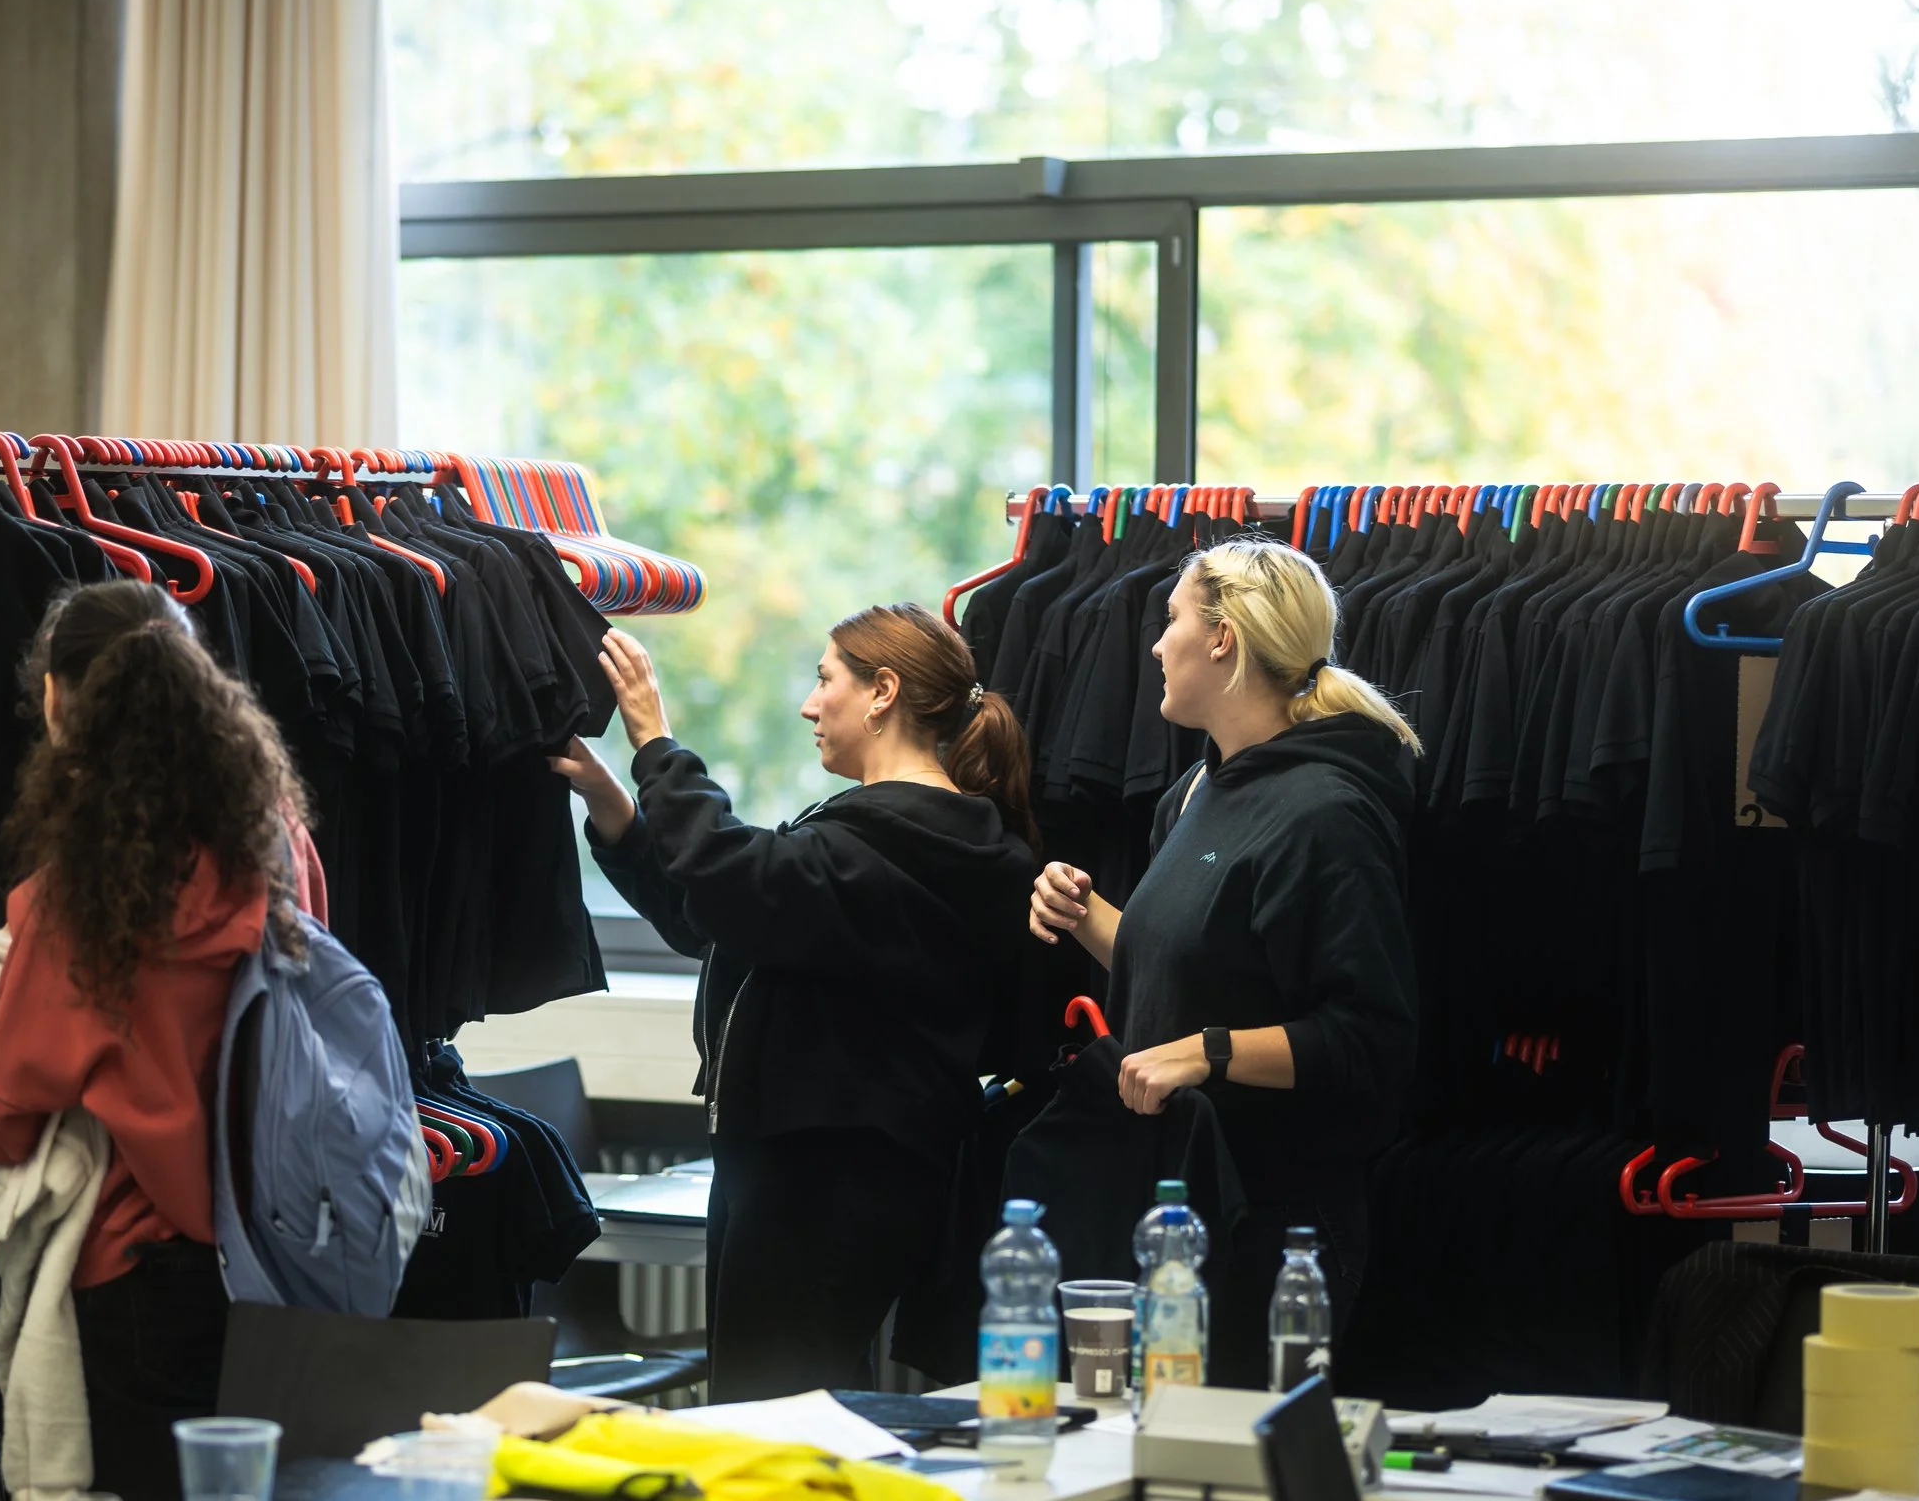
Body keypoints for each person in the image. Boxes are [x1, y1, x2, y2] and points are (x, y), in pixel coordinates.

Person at [552, 606, 1040, 1403]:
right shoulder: (883, 837)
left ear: (883, 692)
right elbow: (722, 919)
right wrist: (617, 807)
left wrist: (656, 744)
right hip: (808, 1169)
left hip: (826, 1180)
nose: (810, 705)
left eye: (824, 679)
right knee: (800, 1402)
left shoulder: (909, 842)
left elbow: (741, 878)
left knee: (770, 1407)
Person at [0, 578, 327, 1501]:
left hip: (139, 1271)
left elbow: (8, 1110)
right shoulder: (279, 848)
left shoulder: (79, 894)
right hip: (278, 1253)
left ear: (57, 699)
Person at [1027, 536, 1417, 1384]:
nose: (1155, 645)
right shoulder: (1195, 792)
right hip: (1180, 1204)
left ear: (1222, 639)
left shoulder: (1327, 814)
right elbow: (1187, 963)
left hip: (1277, 1230)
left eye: (1171, 620)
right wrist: (1084, 913)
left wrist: (1207, 1051)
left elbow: (1369, 1039)